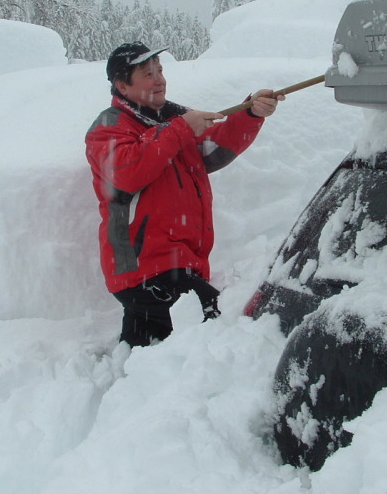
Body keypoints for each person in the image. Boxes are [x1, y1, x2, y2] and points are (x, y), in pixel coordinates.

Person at [85, 41, 282, 347]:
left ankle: (130, 365)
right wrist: (180, 129)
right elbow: (127, 172)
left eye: (160, 71)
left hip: (177, 262)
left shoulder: (172, 117)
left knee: (151, 347)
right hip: (144, 267)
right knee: (222, 324)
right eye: (148, 74)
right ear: (122, 86)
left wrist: (250, 114)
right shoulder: (109, 126)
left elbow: (215, 148)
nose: (159, 79)